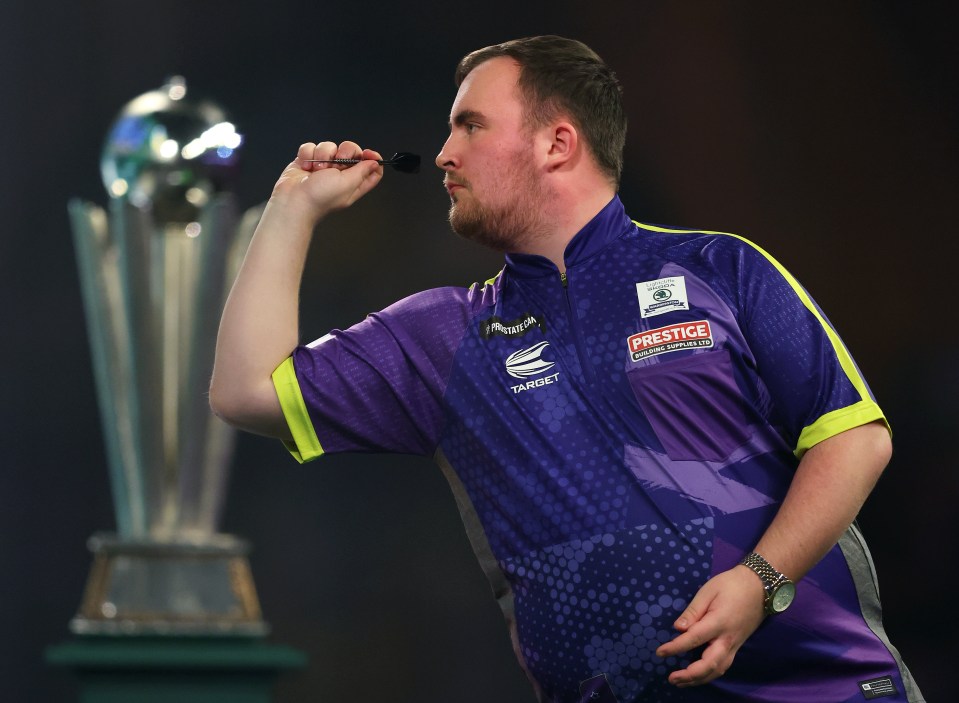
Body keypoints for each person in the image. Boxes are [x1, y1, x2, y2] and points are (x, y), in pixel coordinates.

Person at [210, 35, 923, 703]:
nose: (442, 154)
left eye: (471, 126)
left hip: (820, 687)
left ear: (557, 143)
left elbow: (854, 438)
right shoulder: (441, 334)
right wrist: (289, 210)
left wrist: (759, 581)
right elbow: (244, 391)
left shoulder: (721, 267)